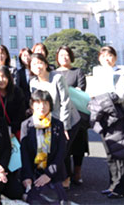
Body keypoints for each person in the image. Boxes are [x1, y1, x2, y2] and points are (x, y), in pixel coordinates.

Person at [30, 53, 80, 189]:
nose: (37, 66)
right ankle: (57, 178)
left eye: (39, 62)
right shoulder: (33, 82)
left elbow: (66, 102)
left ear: (46, 64)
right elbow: (36, 104)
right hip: (48, 121)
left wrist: (64, 126)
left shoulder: (57, 78)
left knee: (63, 151)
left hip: (67, 119)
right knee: (53, 150)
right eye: (33, 64)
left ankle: (66, 180)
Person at [91, 46, 124, 199]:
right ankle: (113, 184)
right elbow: (92, 93)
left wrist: (101, 98)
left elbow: (120, 94)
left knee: (120, 152)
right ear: (99, 59)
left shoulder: (121, 73)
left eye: (109, 55)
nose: (106, 59)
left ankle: (121, 188)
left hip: (117, 116)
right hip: (103, 117)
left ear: (115, 57)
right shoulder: (98, 74)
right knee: (109, 153)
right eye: (103, 56)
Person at [20, 90, 68, 204]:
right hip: (33, 171)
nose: (42, 107)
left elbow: (61, 152)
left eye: (45, 103)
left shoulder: (58, 125)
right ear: (32, 105)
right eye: (38, 103)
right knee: (37, 200)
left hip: (53, 171)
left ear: (50, 105)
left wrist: (48, 174)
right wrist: (27, 176)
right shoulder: (26, 125)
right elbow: (24, 154)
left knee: (59, 201)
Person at [55, 45, 88, 186]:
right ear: (57, 57)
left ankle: (77, 172)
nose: (64, 57)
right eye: (61, 54)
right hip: (60, 113)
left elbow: (81, 91)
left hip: (77, 113)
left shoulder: (77, 72)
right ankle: (65, 175)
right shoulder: (53, 73)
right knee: (64, 146)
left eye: (67, 54)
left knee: (79, 146)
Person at [0, 65, 26, 139]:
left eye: (3, 76)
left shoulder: (17, 92)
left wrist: (13, 130)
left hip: (14, 132)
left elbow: (21, 114)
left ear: (9, 77)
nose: (1, 79)